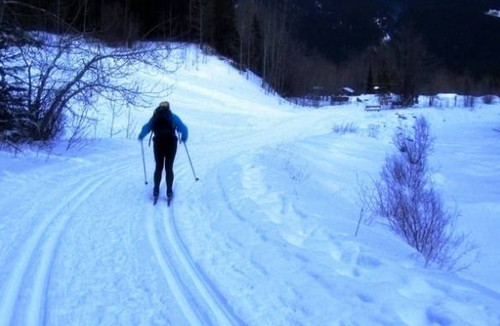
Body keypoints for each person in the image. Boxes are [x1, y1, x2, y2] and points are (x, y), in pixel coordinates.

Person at [138, 101, 188, 200]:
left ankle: (156, 189)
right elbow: (183, 128)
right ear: (168, 107)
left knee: (159, 166)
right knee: (169, 167)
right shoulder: (173, 116)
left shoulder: (155, 117)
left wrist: (141, 136)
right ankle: (169, 190)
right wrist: (184, 137)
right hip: (171, 142)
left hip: (158, 142)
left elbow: (147, 127)